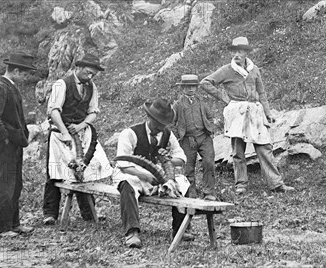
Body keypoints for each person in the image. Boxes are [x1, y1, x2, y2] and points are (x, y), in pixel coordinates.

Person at [200, 36, 295, 195]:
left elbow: (262, 92)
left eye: (240, 51)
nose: (236, 55)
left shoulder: (254, 69)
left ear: (246, 53)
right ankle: (241, 185)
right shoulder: (226, 70)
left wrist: (267, 112)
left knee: (265, 148)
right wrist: (224, 97)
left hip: (255, 112)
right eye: (234, 51)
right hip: (238, 112)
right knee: (238, 151)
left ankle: (276, 184)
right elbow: (205, 83)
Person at [42, 53, 113, 225]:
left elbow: (93, 112)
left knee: (84, 170)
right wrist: (65, 132)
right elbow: (53, 111)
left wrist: (82, 125)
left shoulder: (91, 87)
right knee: (56, 172)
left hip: (80, 132)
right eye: (87, 73)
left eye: (93, 75)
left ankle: (88, 212)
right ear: (78, 68)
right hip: (60, 133)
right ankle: (50, 213)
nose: (89, 77)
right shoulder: (62, 84)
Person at [113, 98, 193, 248]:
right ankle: (132, 232)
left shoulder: (167, 134)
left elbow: (181, 158)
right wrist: (142, 175)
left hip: (157, 176)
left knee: (182, 182)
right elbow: (122, 163)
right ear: (148, 117)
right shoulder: (130, 133)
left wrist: (168, 159)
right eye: (157, 123)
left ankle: (180, 228)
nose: (160, 128)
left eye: (163, 125)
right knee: (127, 183)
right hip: (133, 173)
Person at [0, 52, 36, 237]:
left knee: (15, 184)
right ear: (15, 70)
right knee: (4, 185)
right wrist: (5, 137)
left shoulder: (10, 87)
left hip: (15, 144)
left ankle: (13, 224)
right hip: (5, 145)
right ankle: (1, 227)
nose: (26, 77)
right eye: (24, 73)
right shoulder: (0, 88)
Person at [172, 74, 217, 201]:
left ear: (197, 88)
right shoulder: (178, 104)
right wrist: (178, 136)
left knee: (209, 162)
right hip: (188, 139)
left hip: (204, 137)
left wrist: (210, 128)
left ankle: (209, 192)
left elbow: (210, 117)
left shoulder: (202, 102)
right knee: (189, 167)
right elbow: (171, 122)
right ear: (182, 88)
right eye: (187, 86)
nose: (191, 89)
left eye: (193, 86)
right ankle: (191, 194)